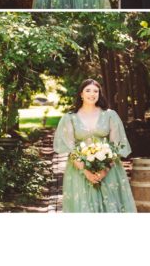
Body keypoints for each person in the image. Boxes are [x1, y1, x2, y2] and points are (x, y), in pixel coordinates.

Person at [53, 79, 137, 213]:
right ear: (81, 94)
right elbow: (70, 148)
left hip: (109, 170)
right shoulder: (70, 117)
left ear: (99, 94)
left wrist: (104, 171)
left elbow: (116, 146)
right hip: (79, 171)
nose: (92, 94)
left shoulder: (110, 115)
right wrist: (86, 171)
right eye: (88, 90)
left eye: (95, 91)